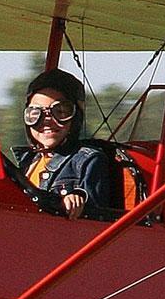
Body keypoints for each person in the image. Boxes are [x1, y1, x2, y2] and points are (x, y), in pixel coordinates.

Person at [10, 68, 113, 219]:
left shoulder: (89, 160)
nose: (47, 121)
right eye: (35, 113)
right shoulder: (27, 160)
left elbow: (97, 216)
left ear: (75, 116)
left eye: (60, 111)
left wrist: (77, 198)